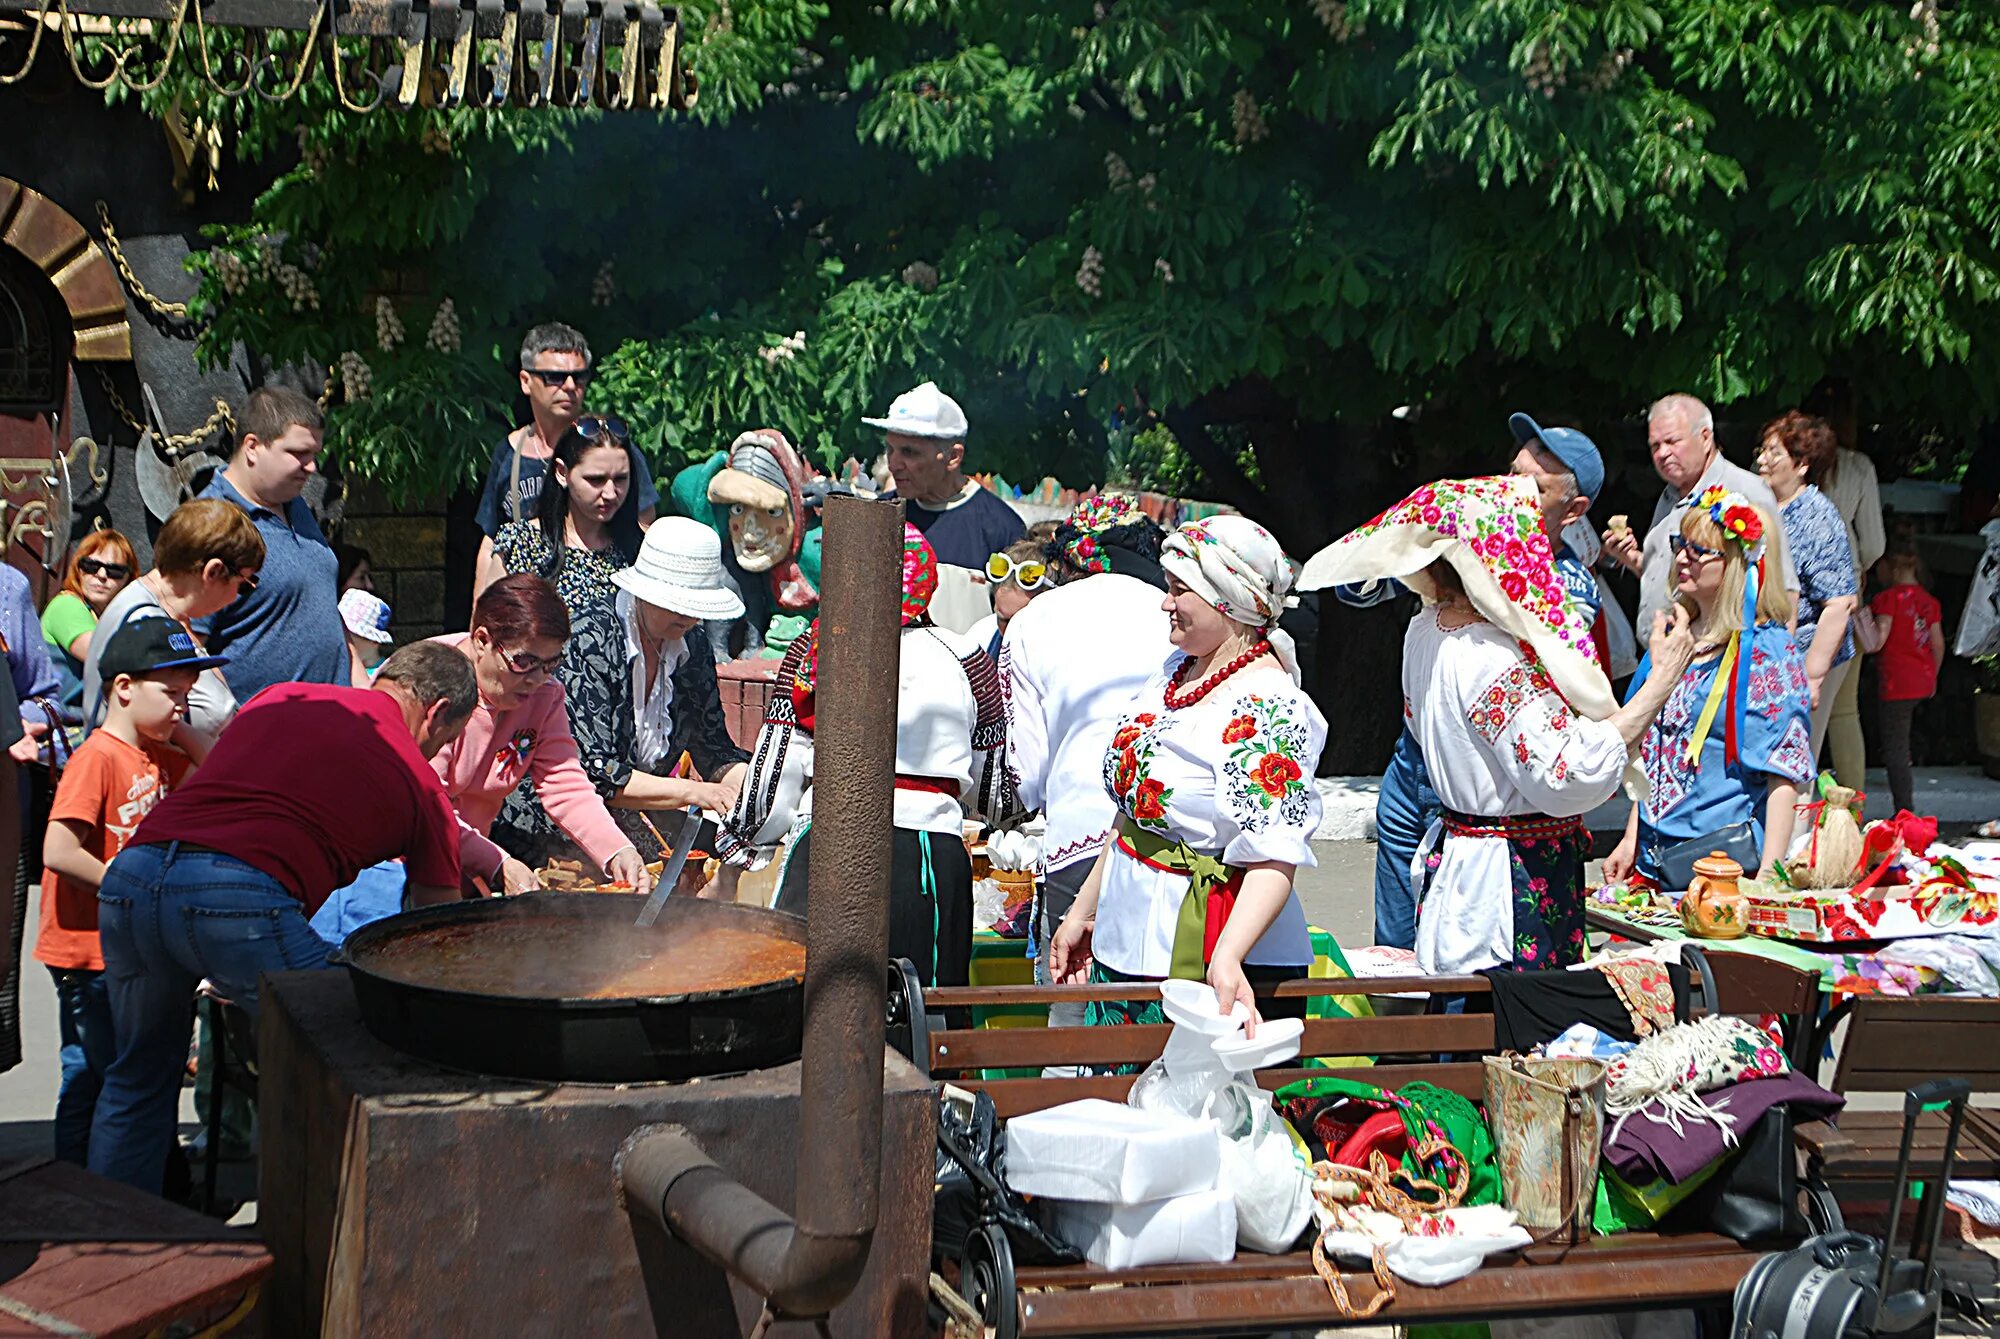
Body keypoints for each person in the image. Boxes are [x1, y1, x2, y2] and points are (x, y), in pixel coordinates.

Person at [86, 641, 480, 1193]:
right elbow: (436, 939)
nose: (438, 752)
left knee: (137, 1080)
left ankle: (113, 1253)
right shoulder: (422, 785)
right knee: (359, 1041)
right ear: (438, 712)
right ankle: (314, 1231)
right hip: (235, 894)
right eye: (447, 739)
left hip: (133, 875)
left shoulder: (282, 694)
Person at [1306, 475, 1693, 974]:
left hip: (1468, 866)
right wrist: (1662, 679)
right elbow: (1567, 774)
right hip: (1506, 886)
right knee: (1505, 1030)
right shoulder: (1491, 657)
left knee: (1460, 1014)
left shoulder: (1427, 628)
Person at [1336, 414, 1609, 952]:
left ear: (1574, 510)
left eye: (1533, 485)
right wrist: (1396, 547)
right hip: (1412, 764)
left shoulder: (1568, 587)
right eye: (1510, 474)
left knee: (1452, 957)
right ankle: (1395, 1033)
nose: (1509, 491)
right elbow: (1355, 593)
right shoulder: (1461, 547)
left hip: (1475, 791)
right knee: (1392, 953)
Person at [1048, 516, 1324, 1027]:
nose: (1164, 601)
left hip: (1210, 954)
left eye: (1180, 590)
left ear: (1229, 602)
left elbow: (1274, 853)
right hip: (1130, 935)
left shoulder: (1267, 702)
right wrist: (1085, 910)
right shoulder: (1176, 670)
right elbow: (1134, 815)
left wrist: (1228, 956)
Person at [716, 524, 1014, 988]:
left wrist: (740, 845)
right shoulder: (967, 658)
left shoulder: (815, 649)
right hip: (929, 861)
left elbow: (776, 776)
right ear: (926, 580)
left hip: (830, 842)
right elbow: (995, 788)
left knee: (808, 1008)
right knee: (921, 1019)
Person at [33, 619, 207, 1167]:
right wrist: (127, 885)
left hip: (124, 950)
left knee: (103, 1072)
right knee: (111, 1073)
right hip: (89, 954)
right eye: (170, 693)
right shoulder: (98, 757)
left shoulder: (163, 755)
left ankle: (89, 1186)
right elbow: (58, 850)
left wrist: (179, 730)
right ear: (124, 688)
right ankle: (92, 1190)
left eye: (187, 696)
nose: (181, 708)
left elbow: (217, 766)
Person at [495, 519, 749, 884]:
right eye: (675, 604)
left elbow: (714, 750)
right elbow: (596, 774)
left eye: (695, 607)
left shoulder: (693, 646)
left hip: (637, 818)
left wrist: (754, 787)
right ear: (644, 592)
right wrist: (697, 792)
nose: (688, 617)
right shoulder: (588, 638)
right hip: (552, 825)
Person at [1001, 496, 1170, 1025]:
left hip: (1077, 836)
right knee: (1155, 1018)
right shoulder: (1179, 610)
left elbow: (1025, 775)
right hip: (1168, 839)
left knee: (1070, 1020)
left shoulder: (1034, 621)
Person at [1602, 492, 1815, 887]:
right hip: (1653, 861)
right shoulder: (1672, 637)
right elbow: (1654, 750)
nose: (1683, 557)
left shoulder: (1767, 653)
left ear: (1736, 564)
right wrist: (1630, 839)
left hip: (1724, 870)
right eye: (1679, 545)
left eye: (1699, 550)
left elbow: (1784, 772)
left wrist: (1770, 877)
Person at [473, 323, 658, 585]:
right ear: (526, 381)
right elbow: (490, 542)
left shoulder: (612, 451)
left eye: (579, 377)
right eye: (555, 377)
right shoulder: (509, 453)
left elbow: (642, 531)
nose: (570, 386)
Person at [1602, 393, 1798, 638]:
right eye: (1655, 445)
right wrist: (1631, 558)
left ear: (1705, 438)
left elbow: (1783, 586)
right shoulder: (1670, 495)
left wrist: (1780, 660)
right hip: (1665, 657)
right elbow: (1676, 576)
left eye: (1672, 442)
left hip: (1720, 659)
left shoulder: (1744, 491)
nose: (1662, 453)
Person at [195, 386, 347, 701]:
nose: (312, 467)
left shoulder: (297, 506)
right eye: (298, 454)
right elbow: (186, 633)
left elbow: (323, 610)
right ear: (253, 446)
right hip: (260, 733)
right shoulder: (211, 522)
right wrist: (226, 713)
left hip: (330, 721)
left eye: (314, 455)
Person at [84, 498, 264, 759]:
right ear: (213, 572)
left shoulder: (169, 614)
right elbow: (154, 727)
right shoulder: (143, 622)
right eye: (244, 584)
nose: (238, 595)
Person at [1757, 410, 1859, 756]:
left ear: (1801, 464)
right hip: (1767, 655)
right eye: (1763, 450)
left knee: (1794, 760)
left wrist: (1812, 677)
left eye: (1773, 453)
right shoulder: (1760, 507)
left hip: (1806, 654)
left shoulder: (1817, 515)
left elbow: (1840, 603)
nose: (1761, 459)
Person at [1803, 377, 1886, 791]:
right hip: (1845, 594)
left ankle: (1791, 811)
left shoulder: (1788, 466)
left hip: (1791, 602)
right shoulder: (1858, 467)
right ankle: (1851, 815)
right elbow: (1873, 543)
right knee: (1844, 712)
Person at [866, 381, 1024, 569]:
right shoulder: (879, 515)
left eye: (909, 452)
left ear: (953, 457)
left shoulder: (1002, 530)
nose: (893, 464)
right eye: (890, 449)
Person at [1870, 533, 1943, 815]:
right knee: (1908, 737)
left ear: (1892, 567)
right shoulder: (1929, 601)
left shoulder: (1888, 599)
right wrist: (1932, 676)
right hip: (1921, 681)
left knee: (1896, 749)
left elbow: (1879, 639)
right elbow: (1937, 643)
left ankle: (1904, 809)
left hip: (1895, 684)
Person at [41, 529, 137, 719]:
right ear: (78, 569)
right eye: (91, 566)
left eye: (114, 570)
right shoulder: (66, 605)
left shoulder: (115, 616)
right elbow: (102, 655)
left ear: (129, 578)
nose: (101, 575)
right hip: (60, 725)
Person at [968, 533, 1056, 658]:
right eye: (1002, 619)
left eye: (1018, 622)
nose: (1009, 633)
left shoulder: (1058, 653)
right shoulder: (981, 637)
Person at [340, 588, 395, 683]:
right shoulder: (338, 668)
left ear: (374, 641)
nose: (342, 640)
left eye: (349, 636)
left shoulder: (384, 678)